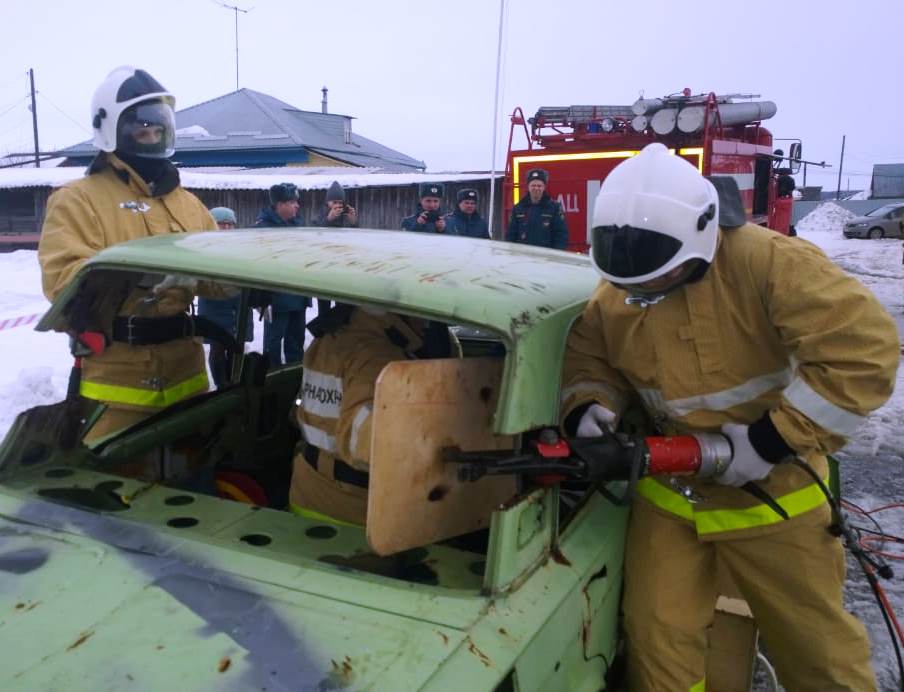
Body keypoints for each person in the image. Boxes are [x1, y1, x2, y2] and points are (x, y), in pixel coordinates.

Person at [560, 143, 898, 691]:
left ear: (699, 240)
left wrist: (771, 439)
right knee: (658, 640)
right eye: (629, 285)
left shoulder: (769, 263)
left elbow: (864, 351)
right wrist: (589, 407)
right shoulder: (625, 279)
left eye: (653, 282)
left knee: (817, 653)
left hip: (775, 498)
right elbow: (592, 354)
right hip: (670, 497)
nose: (638, 294)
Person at [38, 66, 217, 443]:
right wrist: (141, 277)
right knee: (116, 495)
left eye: (157, 129)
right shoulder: (77, 200)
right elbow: (62, 283)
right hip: (117, 393)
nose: (150, 138)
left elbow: (222, 276)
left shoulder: (188, 204)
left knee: (196, 488)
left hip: (188, 381)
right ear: (112, 131)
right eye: (140, 129)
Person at [290, 304, 453, 525]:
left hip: (308, 492)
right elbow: (366, 439)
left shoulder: (331, 338)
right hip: (352, 511)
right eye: (420, 311)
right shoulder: (379, 357)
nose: (425, 322)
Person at [197, 207, 253, 387]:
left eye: (230, 224)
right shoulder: (203, 249)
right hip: (215, 306)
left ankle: (235, 382)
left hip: (238, 304)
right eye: (222, 224)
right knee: (218, 346)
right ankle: (221, 385)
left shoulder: (242, 249)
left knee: (237, 347)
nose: (226, 228)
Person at [255, 183, 308, 365]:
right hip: (274, 299)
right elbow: (257, 265)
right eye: (293, 202)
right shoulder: (262, 229)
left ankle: (294, 381)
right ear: (280, 204)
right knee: (273, 345)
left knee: (296, 343)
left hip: (298, 296)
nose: (297, 206)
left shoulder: (300, 226)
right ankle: (271, 381)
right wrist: (261, 296)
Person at [506, 168, 568, 249]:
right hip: (523, 257)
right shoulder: (518, 208)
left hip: (546, 258)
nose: (536, 188)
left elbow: (561, 237)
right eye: (533, 185)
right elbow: (511, 236)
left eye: (539, 185)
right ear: (528, 187)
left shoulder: (554, 208)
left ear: (544, 187)